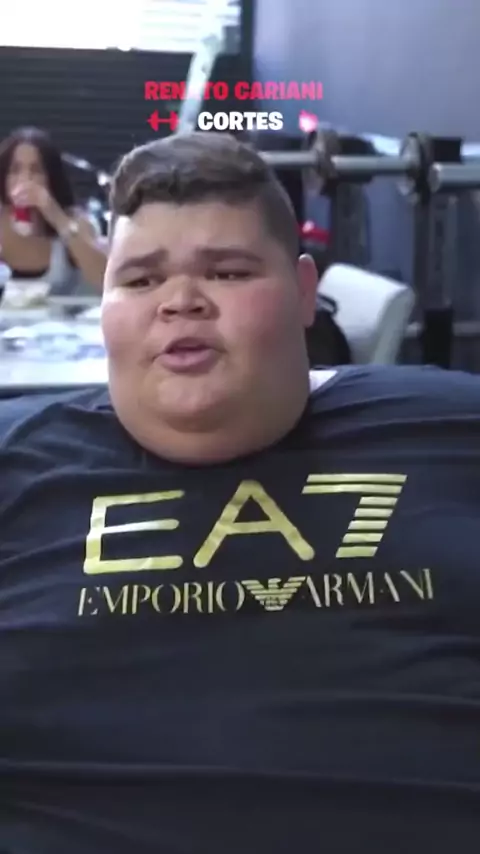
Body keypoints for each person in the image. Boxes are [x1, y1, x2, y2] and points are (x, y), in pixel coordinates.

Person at [1, 131, 480, 853]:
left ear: (304, 292)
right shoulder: (17, 459)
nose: (180, 302)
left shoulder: (451, 426)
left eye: (226, 272)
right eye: (140, 281)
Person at [0, 126, 106, 295]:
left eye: (36, 170)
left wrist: (57, 217)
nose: (25, 179)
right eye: (15, 170)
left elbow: (105, 283)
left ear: (51, 177)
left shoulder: (74, 220)